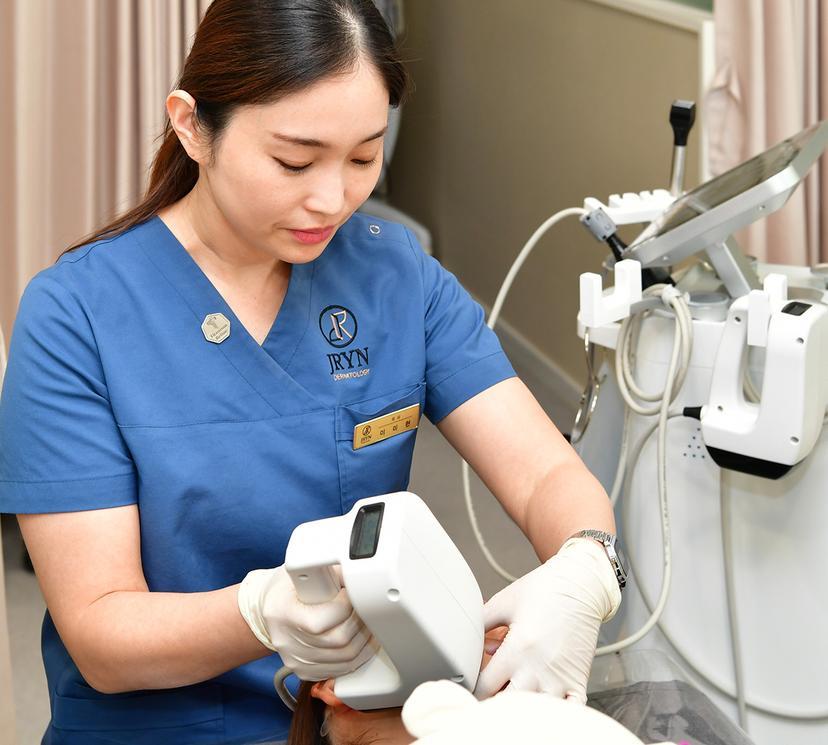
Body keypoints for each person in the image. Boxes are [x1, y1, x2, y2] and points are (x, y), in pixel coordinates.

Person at [0, 1, 621, 742]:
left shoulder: (395, 275)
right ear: (192, 127)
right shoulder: (78, 313)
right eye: (294, 162)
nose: (333, 200)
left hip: (361, 714)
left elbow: (544, 474)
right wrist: (259, 614)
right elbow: (101, 635)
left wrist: (586, 564)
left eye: (363, 157)